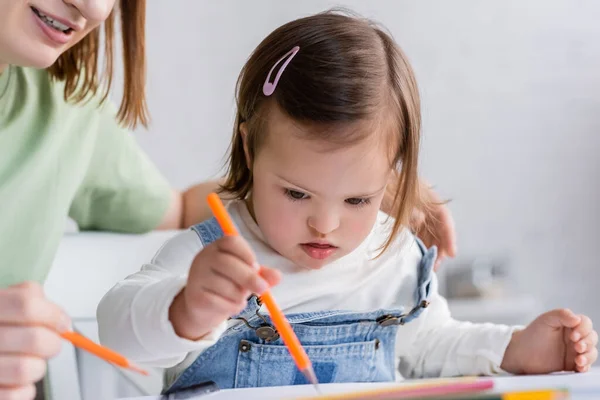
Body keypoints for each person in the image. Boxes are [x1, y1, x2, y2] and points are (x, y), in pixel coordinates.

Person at [97, 10, 597, 393]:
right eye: (296, 193)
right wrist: (187, 309)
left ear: (394, 176)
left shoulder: (391, 255)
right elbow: (116, 329)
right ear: (250, 150)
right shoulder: (216, 256)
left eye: (359, 199)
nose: (325, 224)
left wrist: (515, 350)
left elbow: (430, 346)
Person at [0, 1, 456, 399]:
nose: (94, 8)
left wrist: (359, 188)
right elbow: (124, 324)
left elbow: (178, 208)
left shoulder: (64, 104)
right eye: (296, 193)